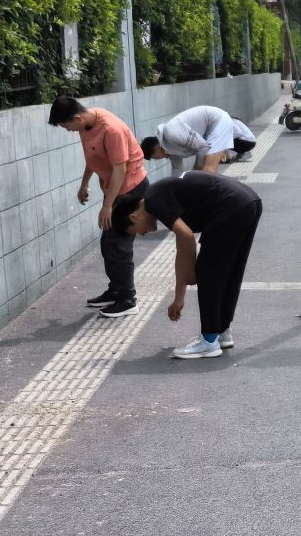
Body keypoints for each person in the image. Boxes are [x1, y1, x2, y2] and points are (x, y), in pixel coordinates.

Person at [111, 169, 263, 359]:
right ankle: (222, 331)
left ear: (133, 218)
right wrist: (179, 297)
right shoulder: (159, 196)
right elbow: (182, 248)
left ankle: (209, 341)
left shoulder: (153, 201)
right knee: (229, 272)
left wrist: (193, 274)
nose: (142, 234)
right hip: (249, 201)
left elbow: (186, 236)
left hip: (231, 205)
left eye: (136, 231)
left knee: (208, 272)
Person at [49, 95, 147, 316]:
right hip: (114, 190)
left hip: (130, 190)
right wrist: (84, 184)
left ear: (77, 118)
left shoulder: (111, 129)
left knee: (117, 245)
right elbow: (92, 158)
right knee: (108, 244)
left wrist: (108, 206)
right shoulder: (86, 124)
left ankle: (128, 300)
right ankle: (116, 290)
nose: (68, 131)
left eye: (66, 126)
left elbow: (120, 169)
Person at [146, 105, 257, 173]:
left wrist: (197, 166)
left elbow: (203, 147)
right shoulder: (171, 153)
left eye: (155, 157)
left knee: (207, 169)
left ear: (156, 147)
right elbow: (177, 170)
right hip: (208, 133)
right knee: (201, 172)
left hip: (218, 120)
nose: (158, 159)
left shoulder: (171, 132)